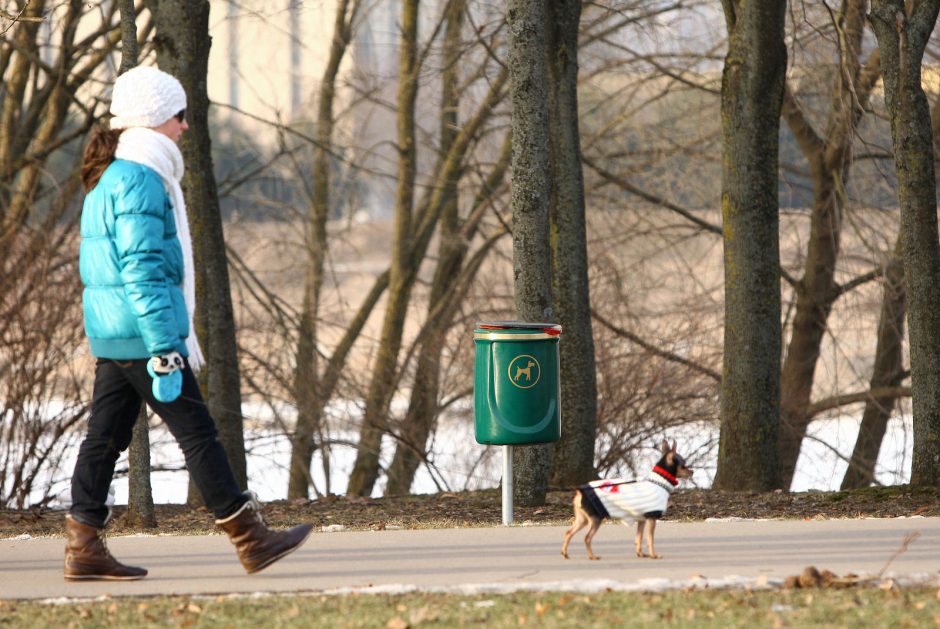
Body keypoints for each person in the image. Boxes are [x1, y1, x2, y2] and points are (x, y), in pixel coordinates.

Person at [66, 65, 311, 581]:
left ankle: (83, 544)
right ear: (155, 118)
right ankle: (250, 537)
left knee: (104, 439)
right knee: (198, 434)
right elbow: (142, 269)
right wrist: (163, 345)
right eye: (179, 116)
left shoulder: (114, 172)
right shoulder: (139, 177)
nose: (184, 126)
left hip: (116, 332)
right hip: (143, 333)